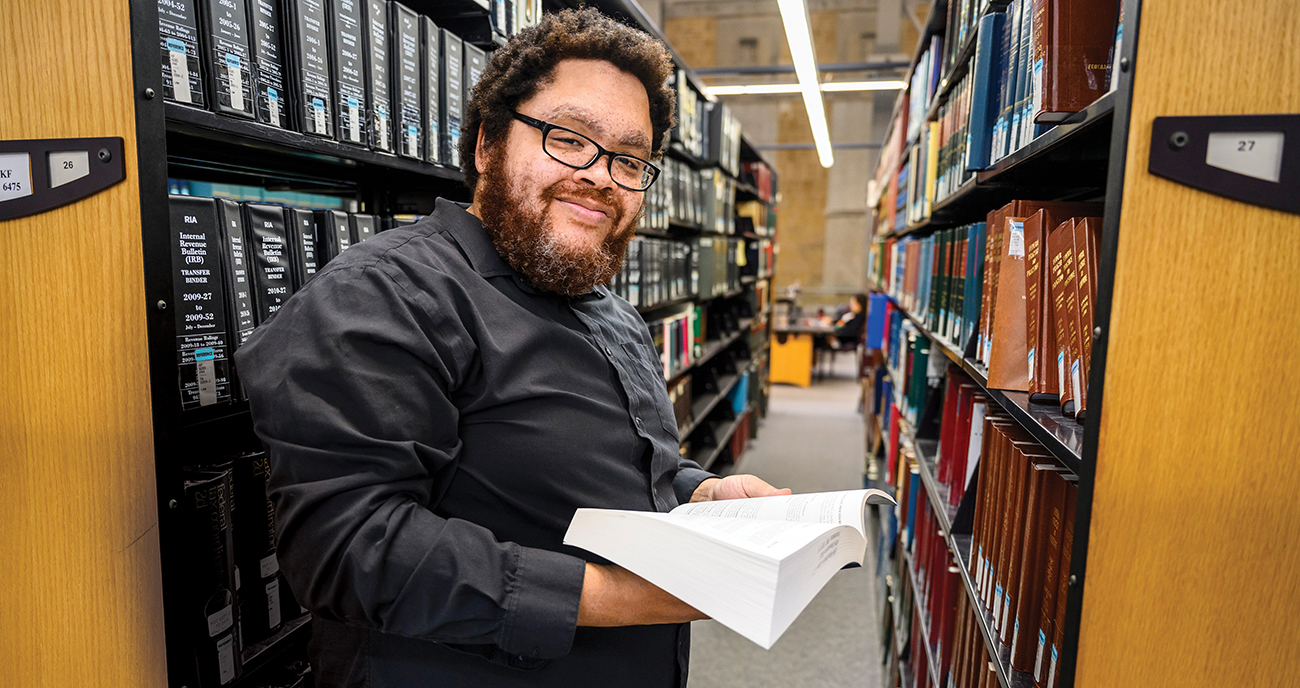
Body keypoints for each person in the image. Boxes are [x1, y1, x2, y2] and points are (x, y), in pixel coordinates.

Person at [234, 8, 788, 688]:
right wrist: (626, 599)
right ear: (487, 145)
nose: (601, 176)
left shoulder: (608, 311)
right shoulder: (381, 296)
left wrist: (700, 493)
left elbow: (613, 470)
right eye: (569, 138)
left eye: (630, 159)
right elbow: (347, 547)